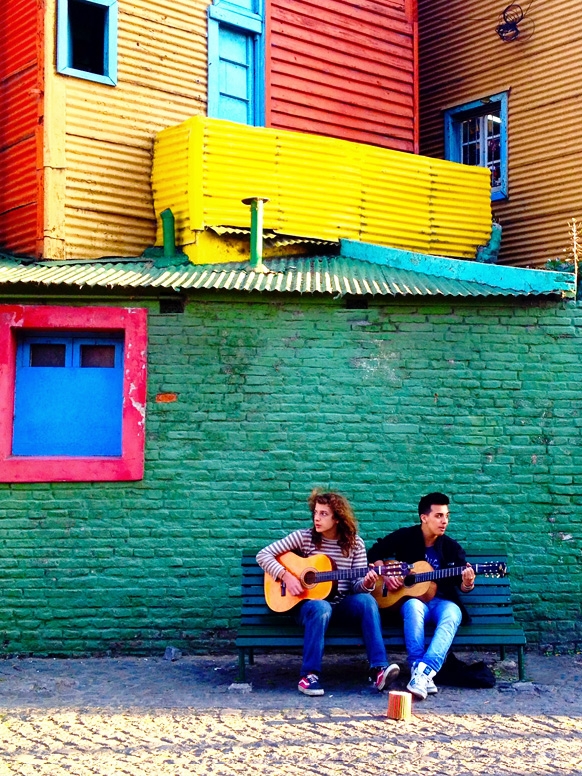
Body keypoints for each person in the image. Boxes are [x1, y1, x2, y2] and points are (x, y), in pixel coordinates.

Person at [256, 489, 400, 697]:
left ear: (338, 518)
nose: (317, 517)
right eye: (316, 512)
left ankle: (378, 670)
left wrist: (368, 582)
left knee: (367, 600)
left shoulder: (355, 544)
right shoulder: (304, 537)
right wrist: (286, 576)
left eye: (324, 513)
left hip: (340, 605)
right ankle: (309, 677)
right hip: (308, 607)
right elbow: (264, 555)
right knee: (320, 606)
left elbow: (355, 586)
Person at [367, 492, 475, 700]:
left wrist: (467, 583)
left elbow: (462, 585)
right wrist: (386, 573)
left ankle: (424, 671)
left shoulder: (452, 548)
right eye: (438, 516)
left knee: (453, 614)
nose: (444, 521)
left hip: (442, 602)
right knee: (413, 606)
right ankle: (417, 667)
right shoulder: (406, 537)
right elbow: (374, 552)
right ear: (424, 517)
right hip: (414, 601)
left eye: (446, 516)